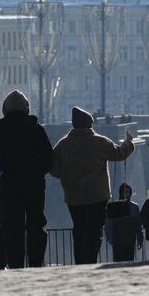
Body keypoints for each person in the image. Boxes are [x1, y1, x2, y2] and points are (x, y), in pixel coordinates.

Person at [49, 106, 134, 264]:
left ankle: (80, 261)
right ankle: (91, 259)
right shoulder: (100, 142)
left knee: (79, 229)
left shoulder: (63, 145)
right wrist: (128, 142)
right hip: (97, 196)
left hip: (74, 197)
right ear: (90, 124)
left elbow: (54, 170)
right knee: (94, 231)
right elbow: (119, 154)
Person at [0, 90, 53, 268]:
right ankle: (36, 262)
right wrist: (38, 171)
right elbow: (48, 157)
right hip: (35, 184)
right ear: (26, 108)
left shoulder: (0, 129)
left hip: (10, 184)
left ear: (5, 109)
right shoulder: (36, 128)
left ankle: (16, 263)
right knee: (36, 224)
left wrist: (5, 166)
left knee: (13, 226)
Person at [104, 182, 144, 263]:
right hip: (117, 239)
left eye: (129, 192)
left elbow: (138, 224)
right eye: (126, 192)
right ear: (121, 192)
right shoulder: (114, 206)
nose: (128, 194)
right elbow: (109, 223)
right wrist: (109, 237)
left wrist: (140, 239)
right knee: (118, 261)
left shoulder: (134, 207)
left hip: (130, 239)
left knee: (129, 260)